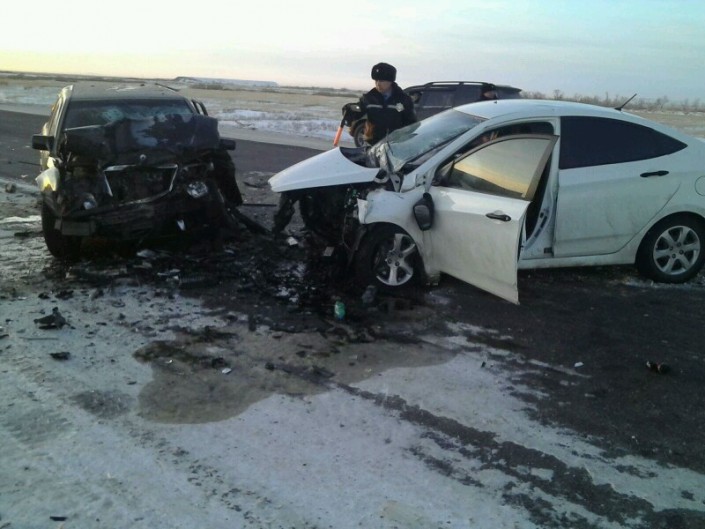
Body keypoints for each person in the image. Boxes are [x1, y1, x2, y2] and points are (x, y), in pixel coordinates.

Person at [359, 62, 417, 145]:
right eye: (376, 80)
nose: (378, 84)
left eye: (381, 81)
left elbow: (411, 123)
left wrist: (402, 136)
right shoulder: (368, 98)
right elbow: (357, 115)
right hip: (373, 145)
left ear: (390, 81)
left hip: (395, 145)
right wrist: (350, 112)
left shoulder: (403, 99)